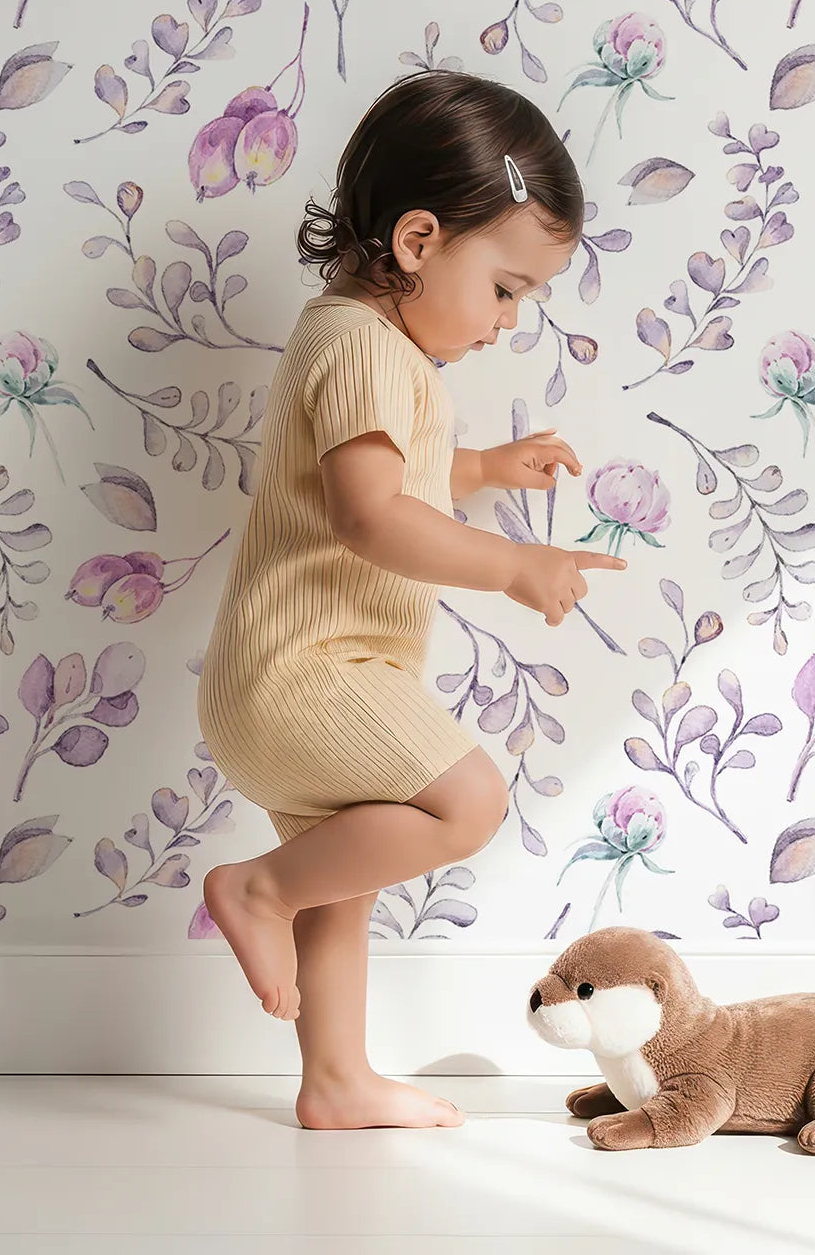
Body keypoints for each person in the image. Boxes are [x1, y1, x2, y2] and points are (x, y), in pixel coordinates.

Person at [197, 70, 628, 1131]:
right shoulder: (362, 347)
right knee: (464, 801)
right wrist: (512, 565)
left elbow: (383, 472)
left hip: (289, 675)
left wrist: (481, 462)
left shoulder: (356, 340)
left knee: (340, 878)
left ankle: (335, 1076)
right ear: (420, 240)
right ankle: (252, 890)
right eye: (505, 286)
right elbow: (369, 515)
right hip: (307, 671)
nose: (508, 319)